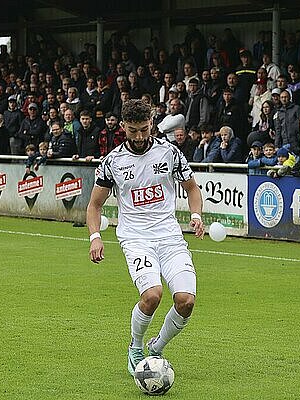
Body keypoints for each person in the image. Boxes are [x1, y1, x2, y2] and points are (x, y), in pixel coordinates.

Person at [86, 99, 204, 376]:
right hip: (136, 238)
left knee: (186, 300)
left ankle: (157, 347)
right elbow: (95, 205)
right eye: (133, 130)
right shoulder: (112, 162)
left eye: (144, 129)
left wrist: (196, 216)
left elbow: (192, 188)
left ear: (152, 123)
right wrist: (95, 236)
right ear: (123, 127)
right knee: (152, 295)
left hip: (170, 237)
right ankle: (136, 346)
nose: (139, 137)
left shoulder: (170, 153)